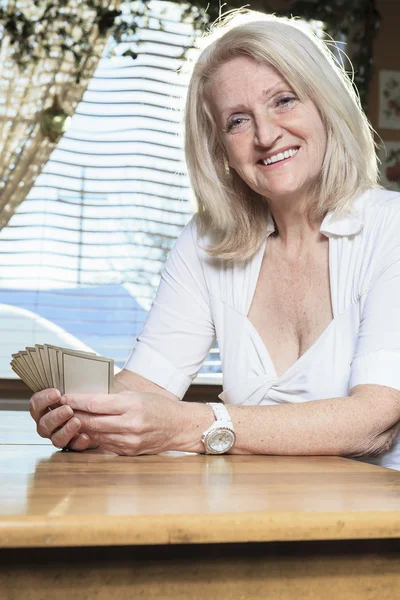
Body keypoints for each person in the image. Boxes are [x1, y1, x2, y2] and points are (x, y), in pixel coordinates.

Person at [29, 11, 400, 469]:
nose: (265, 135)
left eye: (283, 101)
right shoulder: (207, 242)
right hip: (252, 514)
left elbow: (374, 421)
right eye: (237, 121)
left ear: (325, 106)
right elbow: (147, 385)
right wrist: (85, 415)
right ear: (219, 148)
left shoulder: (392, 229)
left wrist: (190, 424)